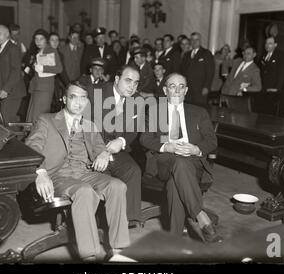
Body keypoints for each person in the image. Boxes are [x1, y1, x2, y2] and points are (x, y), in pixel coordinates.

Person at [25, 81, 130, 261]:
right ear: (64, 99)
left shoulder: (90, 125)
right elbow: (31, 147)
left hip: (84, 172)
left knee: (117, 186)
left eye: (83, 98)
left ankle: (118, 250)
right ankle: (89, 255)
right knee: (84, 191)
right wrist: (40, 173)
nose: (78, 102)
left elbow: (99, 148)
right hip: (57, 175)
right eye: (74, 97)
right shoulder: (47, 120)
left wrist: (104, 154)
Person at [140, 73, 221, 242]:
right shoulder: (156, 111)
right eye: (172, 86)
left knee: (174, 183)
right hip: (164, 161)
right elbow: (145, 139)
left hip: (193, 163)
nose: (177, 90)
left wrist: (196, 149)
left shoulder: (198, 112)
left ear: (186, 90)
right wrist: (167, 146)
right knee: (179, 162)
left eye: (181, 86)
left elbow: (212, 140)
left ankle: (173, 240)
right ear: (165, 90)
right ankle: (200, 215)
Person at [92, 66, 143, 227]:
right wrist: (102, 151)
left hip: (115, 148)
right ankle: (100, 221)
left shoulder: (137, 100)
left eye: (136, 83)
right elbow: (85, 128)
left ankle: (125, 221)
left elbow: (134, 128)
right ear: (116, 79)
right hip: (92, 148)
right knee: (104, 173)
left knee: (133, 171)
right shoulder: (95, 93)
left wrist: (121, 140)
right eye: (128, 81)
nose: (132, 86)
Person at [26, 29, 63, 123]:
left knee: (38, 117)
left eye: (41, 39)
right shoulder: (37, 51)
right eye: (36, 39)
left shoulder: (51, 50)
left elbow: (59, 69)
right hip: (36, 88)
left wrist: (42, 68)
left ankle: (37, 137)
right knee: (31, 116)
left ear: (46, 40)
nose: (38, 41)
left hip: (45, 88)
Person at [0, 24, 26, 123]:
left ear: (7, 34)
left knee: (6, 121)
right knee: (6, 120)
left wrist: (5, 89)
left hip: (12, 92)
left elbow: (16, 71)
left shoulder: (13, 48)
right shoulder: (2, 48)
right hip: (5, 92)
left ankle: (16, 138)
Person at [180, 32, 215, 107]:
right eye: (192, 39)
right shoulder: (187, 54)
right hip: (188, 88)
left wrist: (206, 87)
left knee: (199, 109)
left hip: (200, 88)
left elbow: (210, 72)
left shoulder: (206, 53)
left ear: (200, 41)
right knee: (188, 108)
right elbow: (183, 71)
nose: (194, 41)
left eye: (197, 39)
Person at [49, 32, 70, 113]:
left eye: (57, 40)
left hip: (56, 84)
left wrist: (68, 84)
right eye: (52, 40)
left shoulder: (59, 54)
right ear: (48, 41)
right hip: (46, 84)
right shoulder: (44, 53)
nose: (55, 42)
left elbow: (62, 71)